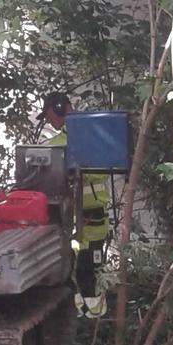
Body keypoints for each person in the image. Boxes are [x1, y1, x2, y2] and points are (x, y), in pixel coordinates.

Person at [36, 92, 109, 308]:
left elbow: (101, 170)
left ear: (61, 108)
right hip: (72, 217)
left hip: (91, 215)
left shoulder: (88, 136)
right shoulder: (57, 143)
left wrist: (75, 169)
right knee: (73, 271)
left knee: (90, 270)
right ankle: (79, 316)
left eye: (50, 115)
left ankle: (95, 316)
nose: (49, 121)